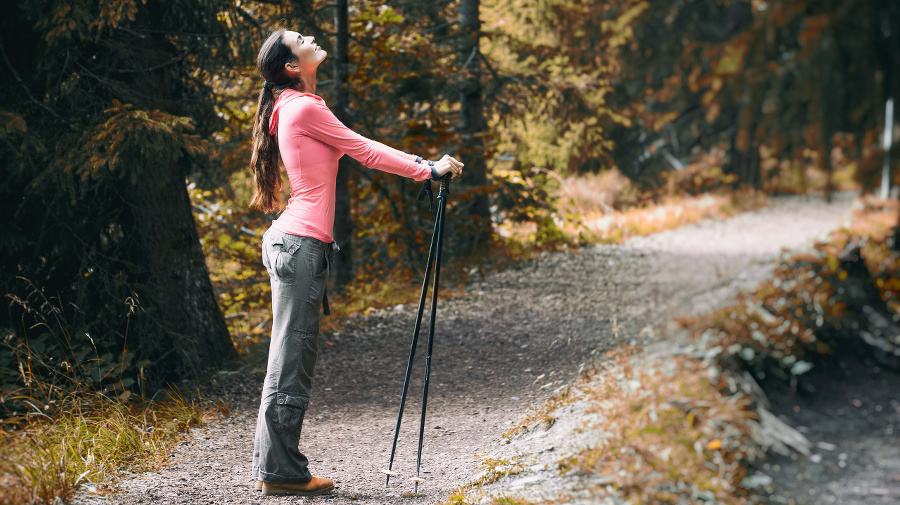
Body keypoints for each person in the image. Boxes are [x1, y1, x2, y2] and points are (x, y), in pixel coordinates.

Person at [247, 28, 463, 496]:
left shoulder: (292, 106)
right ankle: (282, 472)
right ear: (291, 65)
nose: (308, 36)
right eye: (298, 38)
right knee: (292, 357)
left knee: (287, 355)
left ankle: (276, 468)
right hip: (300, 246)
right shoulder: (304, 106)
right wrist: (427, 168)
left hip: (295, 243)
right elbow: (362, 149)